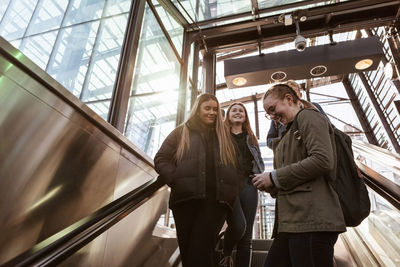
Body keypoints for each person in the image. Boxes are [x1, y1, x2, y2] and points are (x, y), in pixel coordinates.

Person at [252, 84, 346, 267]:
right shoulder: (289, 132)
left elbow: (322, 160)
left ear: (289, 99)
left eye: (273, 109)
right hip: (292, 223)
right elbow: (294, 175)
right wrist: (272, 185)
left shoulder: (308, 117)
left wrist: (273, 177)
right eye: (268, 113)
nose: (272, 117)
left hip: (311, 221)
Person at [154, 93, 242, 267]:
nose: (212, 112)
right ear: (197, 110)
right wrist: (175, 179)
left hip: (215, 203)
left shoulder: (224, 136)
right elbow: (161, 158)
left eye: (215, 109)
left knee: (199, 252)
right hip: (184, 201)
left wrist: (233, 190)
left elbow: (240, 167)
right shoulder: (181, 132)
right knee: (188, 254)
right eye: (207, 108)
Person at [219, 102, 265, 267]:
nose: (238, 112)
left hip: (248, 184)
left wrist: (260, 178)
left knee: (247, 237)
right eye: (234, 110)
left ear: (245, 116)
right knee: (239, 226)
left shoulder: (251, 137)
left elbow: (258, 161)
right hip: (228, 185)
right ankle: (226, 251)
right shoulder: (221, 135)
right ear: (228, 116)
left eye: (241, 111)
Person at [266, 80, 328, 150]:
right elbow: (269, 141)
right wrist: (285, 141)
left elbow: (327, 128)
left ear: (300, 95)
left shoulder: (313, 107)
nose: (292, 96)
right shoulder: (277, 117)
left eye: (294, 93)